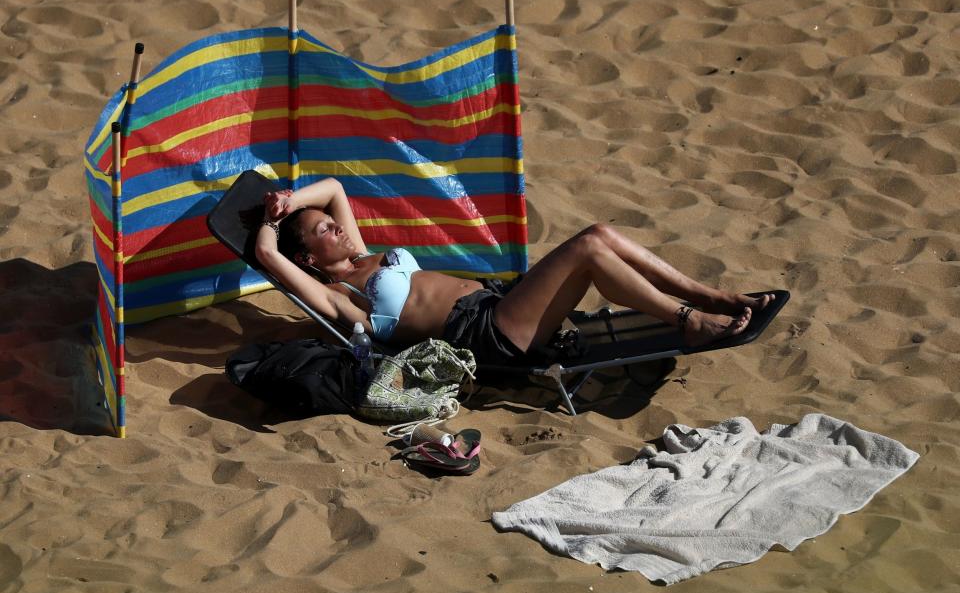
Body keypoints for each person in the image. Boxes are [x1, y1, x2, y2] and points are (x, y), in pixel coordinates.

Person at [255, 178, 773, 364]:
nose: (338, 230)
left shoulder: (365, 253)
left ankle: (714, 298)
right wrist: (269, 220)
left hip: (496, 303)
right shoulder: (343, 298)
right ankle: (688, 321)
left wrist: (291, 200)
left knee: (598, 234)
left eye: (332, 225)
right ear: (309, 260)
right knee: (590, 248)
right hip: (486, 334)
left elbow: (335, 189)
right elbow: (268, 257)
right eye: (325, 232)